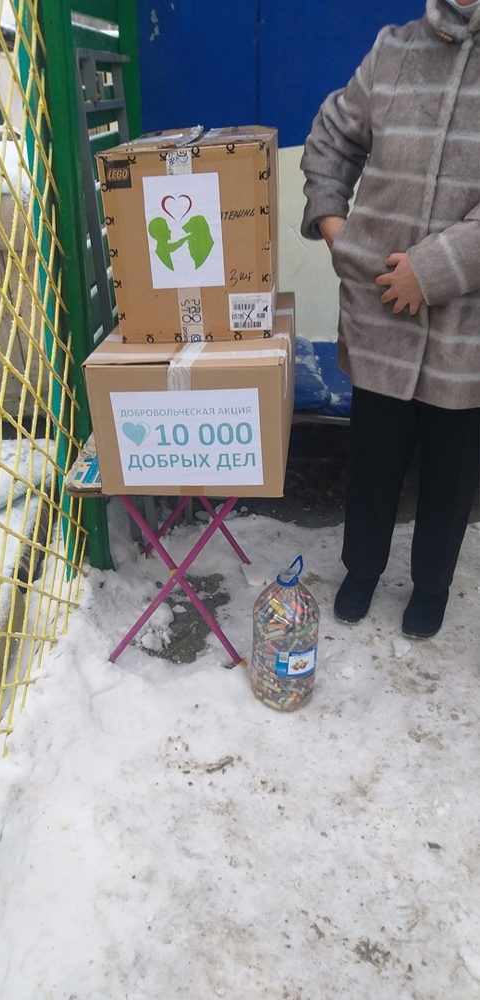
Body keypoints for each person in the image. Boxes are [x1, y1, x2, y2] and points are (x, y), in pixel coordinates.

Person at [300, 0, 480, 639]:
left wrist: (432, 270)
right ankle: (362, 569)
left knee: (453, 469)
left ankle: (431, 585)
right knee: (374, 455)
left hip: (465, 327)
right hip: (380, 314)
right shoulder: (393, 50)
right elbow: (332, 137)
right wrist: (335, 228)